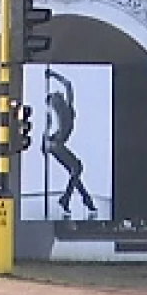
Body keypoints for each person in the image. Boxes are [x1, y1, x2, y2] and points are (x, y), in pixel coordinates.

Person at [43, 68, 96, 217]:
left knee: (75, 171)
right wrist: (54, 75)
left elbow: (68, 85)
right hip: (56, 144)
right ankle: (69, 199)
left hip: (54, 144)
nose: (58, 93)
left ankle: (84, 198)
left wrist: (53, 75)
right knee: (77, 167)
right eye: (56, 94)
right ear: (55, 100)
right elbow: (68, 84)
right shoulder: (62, 108)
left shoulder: (66, 108)